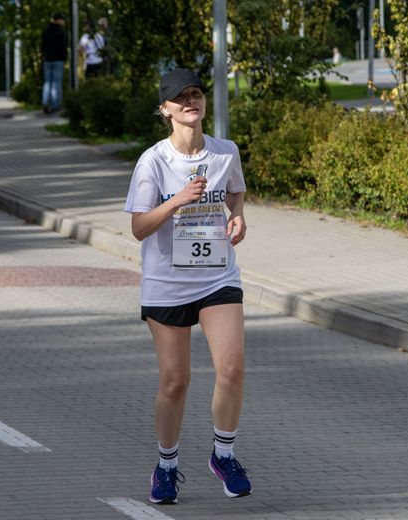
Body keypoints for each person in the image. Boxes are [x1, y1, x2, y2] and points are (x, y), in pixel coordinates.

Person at [124, 68, 252, 505]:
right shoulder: (154, 161)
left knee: (232, 368)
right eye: (180, 98)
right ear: (166, 110)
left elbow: (235, 192)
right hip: (167, 284)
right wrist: (177, 200)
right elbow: (140, 227)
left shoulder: (224, 152)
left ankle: (224, 454)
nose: (190, 102)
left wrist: (237, 216)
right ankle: (166, 465)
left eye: (195, 94)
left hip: (217, 276)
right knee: (176, 381)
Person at [41, 12, 67, 115]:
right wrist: (64, 58)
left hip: (47, 59)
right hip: (58, 59)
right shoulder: (60, 31)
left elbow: (42, 45)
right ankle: (55, 104)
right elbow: (63, 46)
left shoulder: (46, 30)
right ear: (59, 20)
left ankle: (45, 102)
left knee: (47, 82)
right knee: (56, 82)